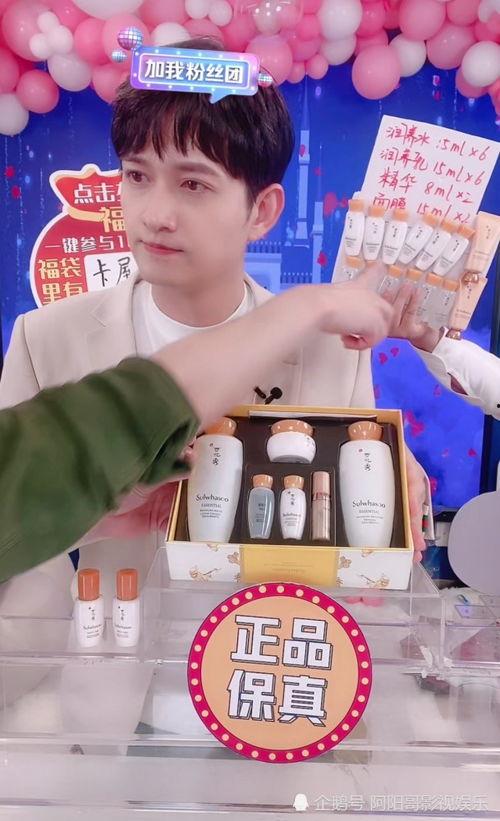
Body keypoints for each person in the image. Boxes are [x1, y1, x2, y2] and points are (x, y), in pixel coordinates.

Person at [0, 278, 393, 583]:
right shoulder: (45, 335)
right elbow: (21, 547)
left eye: (196, 195)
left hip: (279, 638)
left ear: (262, 211)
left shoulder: (334, 347)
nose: (158, 215)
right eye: (137, 189)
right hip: (116, 641)